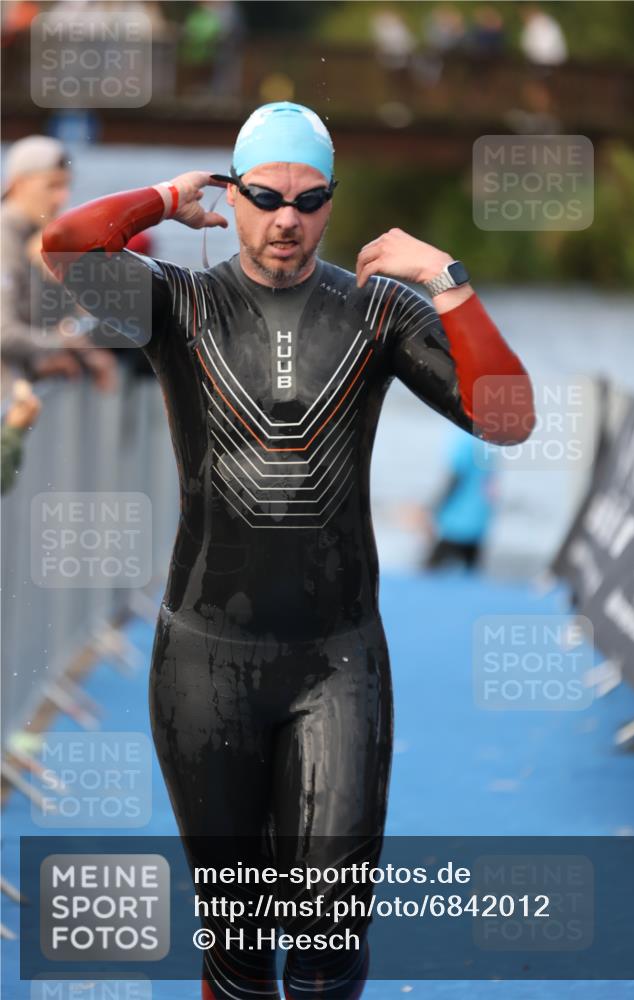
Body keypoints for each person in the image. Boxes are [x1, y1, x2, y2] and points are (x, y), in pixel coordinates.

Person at [42, 101, 535, 1000]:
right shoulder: (178, 302)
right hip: (202, 661)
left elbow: (507, 415)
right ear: (231, 195)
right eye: (263, 195)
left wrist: (447, 279)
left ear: (330, 205)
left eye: (309, 200)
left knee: (327, 946)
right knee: (236, 949)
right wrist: (161, 197)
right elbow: (64, 248)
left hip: (336, 661)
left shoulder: (377, 310)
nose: (285, 219)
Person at [1, 134, 118, 390]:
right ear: (19, 184)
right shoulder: (5, 234)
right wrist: (60, 343)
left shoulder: (34, 235)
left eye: (65, 186)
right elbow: (3, 332)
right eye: (52, 186)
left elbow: (64, 318)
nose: (62, 198)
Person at [423, 427, 497, 571]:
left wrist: (433, 509)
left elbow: (454, 479)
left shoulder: (463, 439)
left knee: (428, 572)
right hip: (479, 521)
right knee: (469, 577)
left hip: (456, 522)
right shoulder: (489, 441)